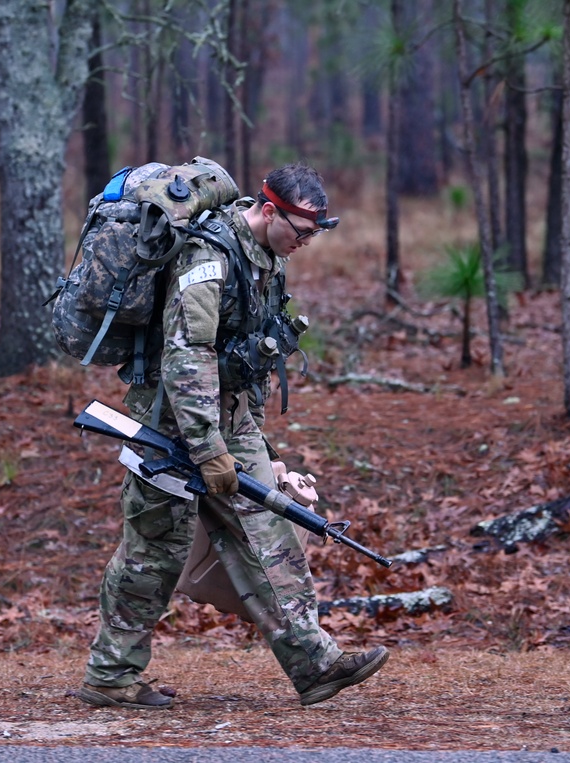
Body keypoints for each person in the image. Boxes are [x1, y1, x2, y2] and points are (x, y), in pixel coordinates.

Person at [78, 162, 389, 709]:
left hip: (230, 419)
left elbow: (251, 357)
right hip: (170, 422)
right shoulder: (209, 257)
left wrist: (261, 450)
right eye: (301, 231)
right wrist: (206, 448)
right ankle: (110, 676)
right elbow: (187, 356)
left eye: (314, 234)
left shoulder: (268, 257)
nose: (305, 244)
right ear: (269, 211)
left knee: (271, 534)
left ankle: (314, 664)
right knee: (154, 551)